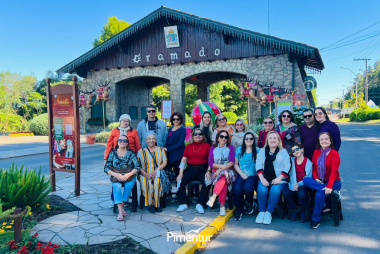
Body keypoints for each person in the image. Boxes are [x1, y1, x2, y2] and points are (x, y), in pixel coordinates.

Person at [303, 132, 341, 229]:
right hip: (320, 181)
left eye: (326, 139)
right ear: (319, 142)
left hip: (333, 182)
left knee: (319, 194)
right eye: (321, 139)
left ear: (330, 140)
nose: (324, 141)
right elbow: (314, 167)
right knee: (306, 180)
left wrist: (329, 186)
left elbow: (334, 171)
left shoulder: (334, 154)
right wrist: (315, 178)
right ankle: (333, 194)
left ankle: (315, 220)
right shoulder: (316, 152)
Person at [104, 114, 141, 207]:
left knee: (128, 181)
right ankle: (114, 200)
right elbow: (109, 145)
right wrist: (106, 159)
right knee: (116, 179)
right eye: (123, 121)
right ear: (120, 121)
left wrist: (139, 158)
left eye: (127, 121)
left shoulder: (134, 132)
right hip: (116, 158)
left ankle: (123, 200)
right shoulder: (114, 131)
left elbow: (138, 146)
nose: (125, 122)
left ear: (130, 122)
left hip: (130, 159)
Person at [255, 131, 291, 225]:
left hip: (279, 178)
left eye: (275, 138)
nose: (273, 140)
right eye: (270, 138)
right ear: (267, 140)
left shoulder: (283, 152)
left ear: (278, 141)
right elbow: (258, 165)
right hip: (264, 177)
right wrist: (262, 179)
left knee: (274, 191)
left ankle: (269, 212)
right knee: (262, 190)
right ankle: (261, 211)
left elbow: (287, 166)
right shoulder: (262, 151)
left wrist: (279, 178)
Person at [104, 135, 140, 221]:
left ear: (127, 143)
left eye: (124, 141)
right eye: (120, 140)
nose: (122, 142)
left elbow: (137, 167)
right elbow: (106, 168)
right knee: (117, 187)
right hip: (116, 175)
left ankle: (121, 208)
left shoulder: (131, 153)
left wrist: (128, 175)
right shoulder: (112, 153)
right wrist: (116, 175)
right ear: (117, 142)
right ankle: (121, 211)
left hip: (129, 175)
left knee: (128, 186)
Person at [176, 128, 211, 214]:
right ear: (192, 136)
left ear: (203, 136)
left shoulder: (207, 146)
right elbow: (183, 160)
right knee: (180, 181)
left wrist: (209, 171)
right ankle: (183, 203)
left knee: (207, 182)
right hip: (190, 169)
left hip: (203, 169)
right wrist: (180, 173)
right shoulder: (189, 146)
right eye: (195, 134)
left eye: (200, 134)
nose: (198, 136)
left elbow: (210, 160)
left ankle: (200, 204)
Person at [137, 132, 169, 213]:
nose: (151, 140)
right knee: (146, 185)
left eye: (153, 139)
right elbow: (138, 166)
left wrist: (156, 171)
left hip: (158, 172)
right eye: (149, 139)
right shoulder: (141, 152)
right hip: (145, 173)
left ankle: (157, 204)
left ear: (155, 140)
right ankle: (150, 204)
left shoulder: (161, 150)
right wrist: (145, 174)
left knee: (157, 184)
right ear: (146, 141)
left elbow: (165, 162)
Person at [207, 131, 236, 216]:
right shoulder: (213, 148)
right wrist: (220, 168)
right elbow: (211, 163)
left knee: (223, 175)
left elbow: (231, 162)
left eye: (226, 137)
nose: (224, 138)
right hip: (215, 172)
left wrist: (220, 169)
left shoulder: (230, 147)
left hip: (229, 171)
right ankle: (222, 206)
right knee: (223, 180)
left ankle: (214, 196)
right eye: (222, 136)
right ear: (218, 138)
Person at [282, 143, 312, 223]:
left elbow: (308, 177)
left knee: (301, 194)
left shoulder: (308, 162)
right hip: (293, 182)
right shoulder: (291, 161)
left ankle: (302, 211)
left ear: (301, 150)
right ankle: (294, 209)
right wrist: (294, 184)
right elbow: (290, 174)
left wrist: (298, 184)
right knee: (285, 193)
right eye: (293, 151)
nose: (296, 151)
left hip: (303, 183)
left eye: (297, 149)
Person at [233, 132, 258, 221]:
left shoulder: (258, 151)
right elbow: (235, 164)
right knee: (237, 189)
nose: (249, 140)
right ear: (244, 140)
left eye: (251, 139)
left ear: (253, 140)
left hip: (253, 175)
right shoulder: (239, 150)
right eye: (246, 138)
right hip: (241, 173)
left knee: (247, 188)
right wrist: (241, 174)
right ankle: (239, 210)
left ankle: (250, 203)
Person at [164, 112, 186, 177]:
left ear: (181, 120)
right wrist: (164, 148)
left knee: (177, 173)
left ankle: (178, 187)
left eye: (177, 119)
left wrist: (168, 149)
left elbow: (180, 143)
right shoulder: (170, 128)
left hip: (178, 155)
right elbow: (167, 140)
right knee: (168, 173)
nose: (175, 121)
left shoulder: (182, 129)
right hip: (169, 154)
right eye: (174, 119)